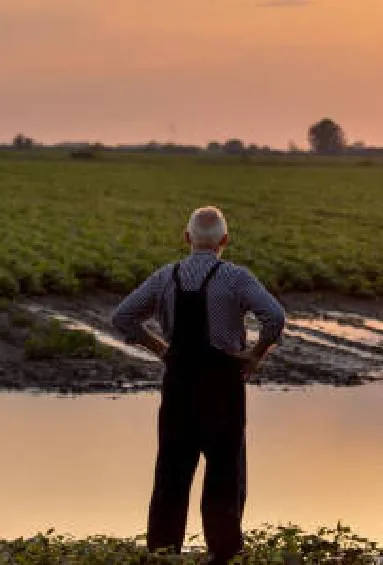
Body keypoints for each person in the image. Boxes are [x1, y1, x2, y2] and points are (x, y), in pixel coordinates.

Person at [111, 206, 287, 565]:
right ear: (225, 240)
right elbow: (275, 316)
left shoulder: (165, 277)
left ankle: (162, 554)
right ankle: (223, 555)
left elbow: (123, 317)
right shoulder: (236, 278)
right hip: (223, 385)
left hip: (179, 385)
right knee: (225, 471)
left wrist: (160, 348)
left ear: (187, 238)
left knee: (172, 472)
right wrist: (255, 353)